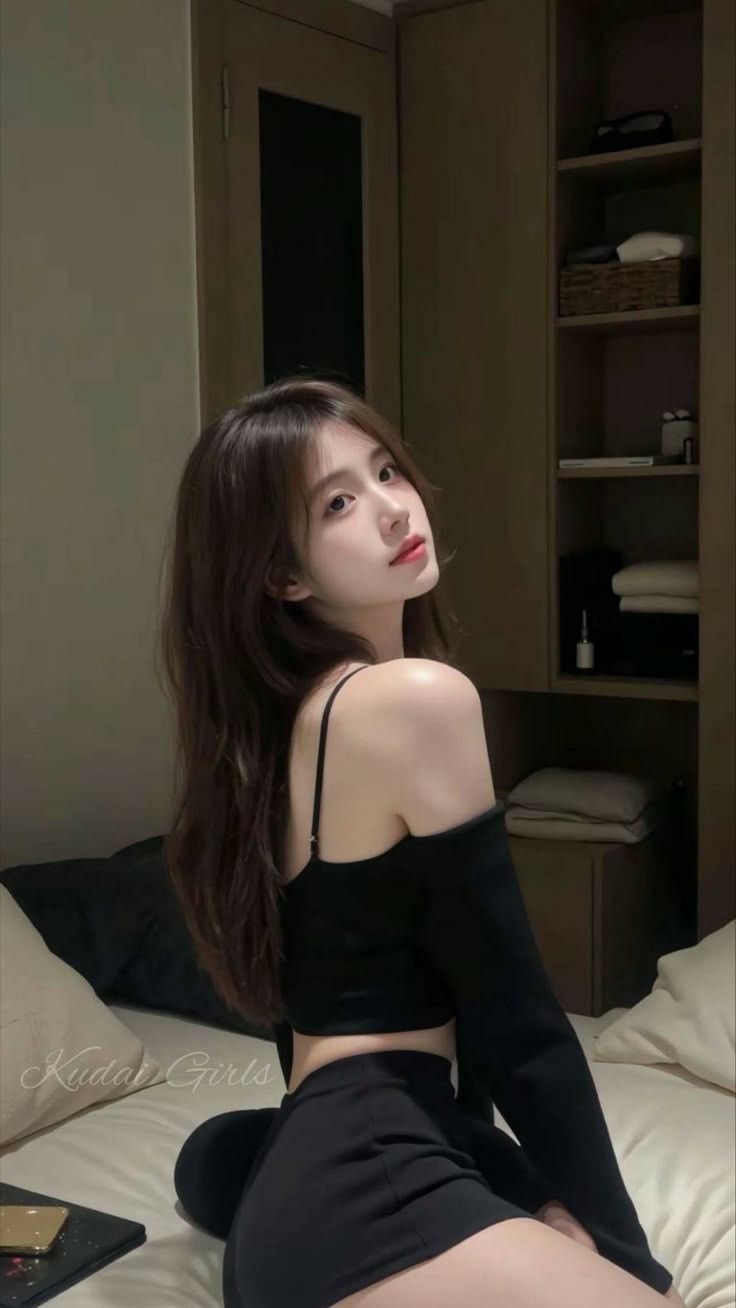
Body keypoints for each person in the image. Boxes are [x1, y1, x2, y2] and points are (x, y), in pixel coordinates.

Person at [158, 376, 684, 1308]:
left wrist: (524, 1189)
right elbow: (517, 1021)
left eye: (386, 470)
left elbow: (327, 1021)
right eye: (337, 503)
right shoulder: (414, 700)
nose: (394, 507)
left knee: (226, 1159)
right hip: (368, 1189)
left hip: (316, 1187)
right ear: (282, 576)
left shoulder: (272, 737)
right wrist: (633, 1264)